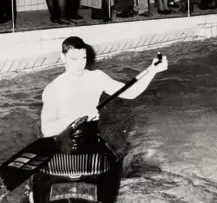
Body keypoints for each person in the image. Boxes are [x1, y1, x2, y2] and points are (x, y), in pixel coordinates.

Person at [40, 37, 169, 138]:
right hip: (64, 140)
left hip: (91, 137)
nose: (80, 64)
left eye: (83, 58)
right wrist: (78, 116)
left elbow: (131, 92)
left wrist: (153, 70)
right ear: (63, 58)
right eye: (74, 59)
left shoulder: (96, 77)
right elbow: (47, 130)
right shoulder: (53, 89)